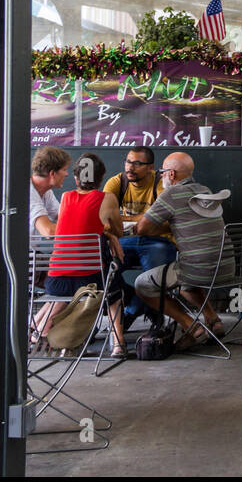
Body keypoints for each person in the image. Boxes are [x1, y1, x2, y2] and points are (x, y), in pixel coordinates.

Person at [133, 152, 233, 350]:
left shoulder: (170, 194)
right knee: (186, 284)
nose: (160, 176)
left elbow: (142, 228)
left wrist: (164, 227)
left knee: (141, 285)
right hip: (226, 267)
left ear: (171, 174)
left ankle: (191, 326)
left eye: (161, 172)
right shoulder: (204, 190)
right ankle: (214, 321)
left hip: (198, 270)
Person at [34, 154, 126, 357]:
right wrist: (110, 232)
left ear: (76, 178)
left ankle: (41, 331)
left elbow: (75, 229)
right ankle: (118, 343)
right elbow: (119, 230)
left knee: (83, 276)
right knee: (115, 285)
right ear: (102, 178)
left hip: (56, 282)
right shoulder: (106, 198)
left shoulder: (66, 198)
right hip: (89, 282)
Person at [105, 145, 177, 328]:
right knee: (104, 273)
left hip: (157, 241)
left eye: (137, 164)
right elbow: (104, 216)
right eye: (128, 162)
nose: (130, 167)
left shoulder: (160, 184)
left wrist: (121, 218)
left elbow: (168, 219)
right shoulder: (116, 183)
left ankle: (130, 312)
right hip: (124, 240)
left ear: (150, 167)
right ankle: (144, 308)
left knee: (153, 282)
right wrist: (145, 218)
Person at [29, 145, 72, 236]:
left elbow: (63, 217)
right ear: (52, 173)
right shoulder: (28, 193)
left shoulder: (46, 191)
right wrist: (85, 228)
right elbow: (48, 231)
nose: (67, 174)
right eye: (64, 170)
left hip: (32, 249)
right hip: (20, 250)